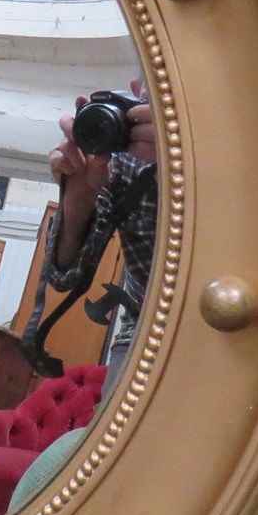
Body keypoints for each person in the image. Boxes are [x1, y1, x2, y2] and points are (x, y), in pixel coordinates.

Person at [24, 79, 157, 397]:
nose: (139, 85)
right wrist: (79, 189)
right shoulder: (122, 156)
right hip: (142, 333)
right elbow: (64, 276)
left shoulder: (236, 149)